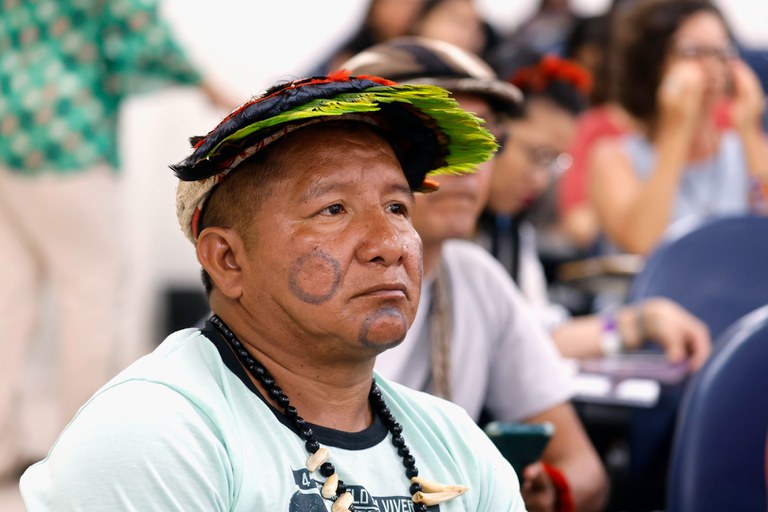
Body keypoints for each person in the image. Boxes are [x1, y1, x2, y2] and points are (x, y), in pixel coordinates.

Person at [20, 71, 526, 511]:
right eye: (333, 209)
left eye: (397, 208)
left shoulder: (456, 444)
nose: (389, 245)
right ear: (228, 259)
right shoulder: (154, 437)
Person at [342, 37, 608, 512]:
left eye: (485, 139)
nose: (469, 164)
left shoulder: (477, 278)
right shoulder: (315, 287)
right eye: (431, 140)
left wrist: (542, 491)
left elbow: (583, 468)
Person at [0, 0, 235, 481]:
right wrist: (209, 86)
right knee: (91, 290)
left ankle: (5, 448)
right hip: (67, 130)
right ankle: (80, 456)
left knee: (11, 297)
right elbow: (137, 24)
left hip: (9, 122)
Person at [480, 53, 712, 369]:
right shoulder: (441, 231)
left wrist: (642, 321)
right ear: (489, 135)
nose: (539, 178)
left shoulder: (511, 234)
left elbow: (540, 339)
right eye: (535, 153)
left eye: (553, 161)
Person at [588, 0, 768, 255]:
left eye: (721, 51)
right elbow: (645, 243)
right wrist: (675, 129)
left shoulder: (749, 151)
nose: (711, 65)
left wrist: (750, 131)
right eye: (693, 51)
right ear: (654, 63)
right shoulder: (613, 157)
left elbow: (764, 224)